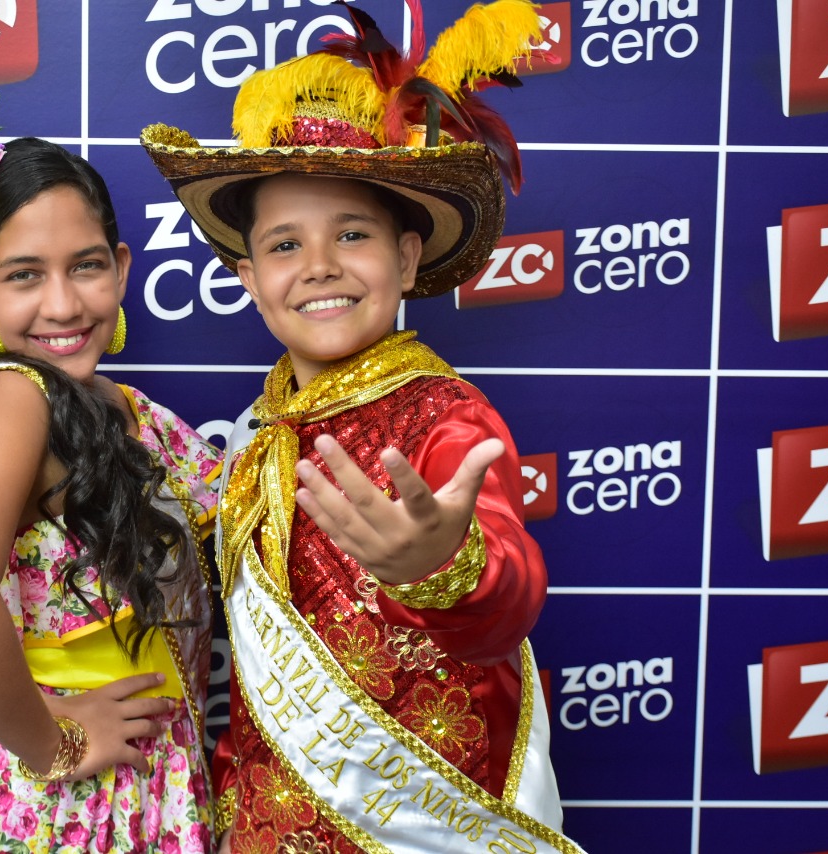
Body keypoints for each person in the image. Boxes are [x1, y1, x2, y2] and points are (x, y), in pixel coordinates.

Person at [142, 2, 586, 851]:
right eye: (283, 245)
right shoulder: (255, 436)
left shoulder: (442, 414)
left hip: (420, 827)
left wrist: (440, 566)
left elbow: (508, 590)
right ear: (247, 275)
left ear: (409, 257)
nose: (319, 267)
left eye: (353, 234)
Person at [0, 95, 221, 853]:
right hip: (69, 809)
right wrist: (53, 745)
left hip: (150, 777)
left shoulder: (119, 401)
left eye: (86, 266)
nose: (63, 304)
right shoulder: (14, 398)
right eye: (24, 275)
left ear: (121, 268)